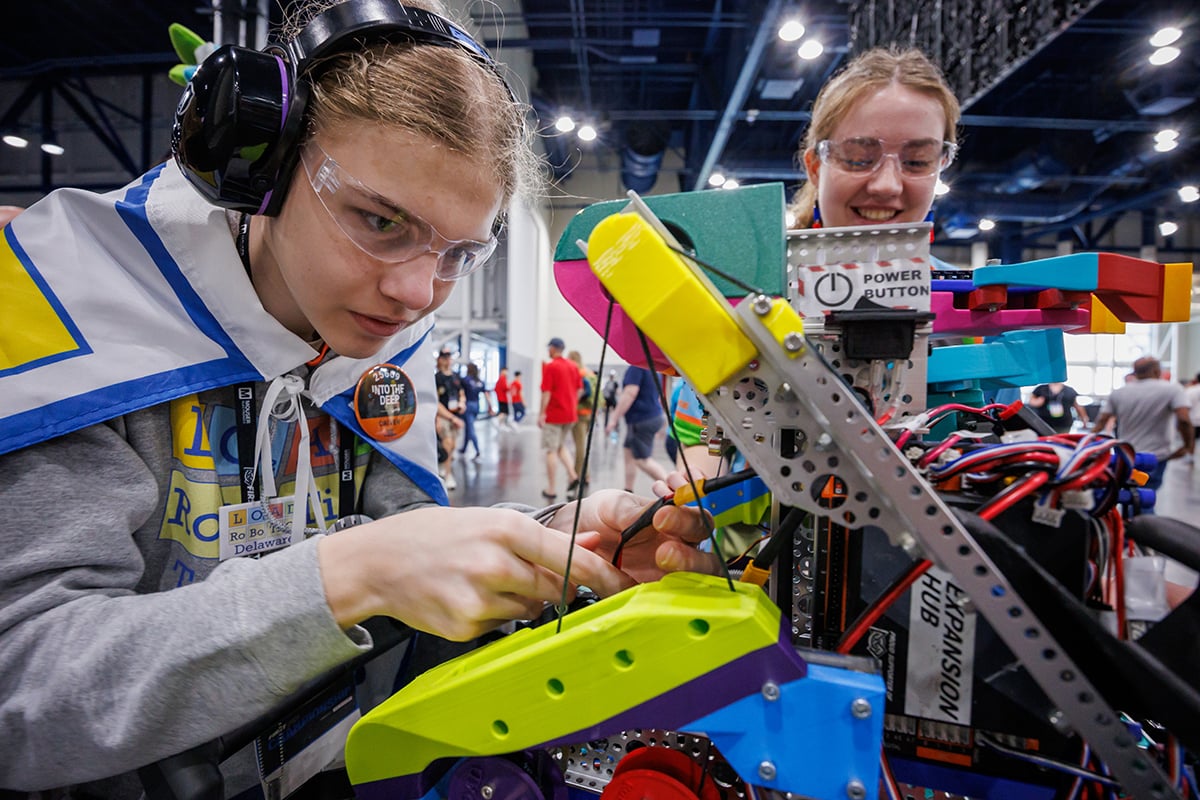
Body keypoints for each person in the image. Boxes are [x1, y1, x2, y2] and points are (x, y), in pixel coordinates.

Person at [0, 2, 717, 794]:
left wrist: (542, 545)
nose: (417, 291)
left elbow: (395, 546)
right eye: (379, 221)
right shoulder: (65, 303)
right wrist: (345, 578)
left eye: (460, 253)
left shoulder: (381, 332)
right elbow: (21, 697)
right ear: (261, 168)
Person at [1093, 356, 1193, 494]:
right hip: (1156, 455)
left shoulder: (1120, 392)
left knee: (1127, 493)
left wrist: (1088, 445)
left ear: (1135, 371)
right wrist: (1188, 445)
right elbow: (1184, 419)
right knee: (1146, 495)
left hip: (1126, 453)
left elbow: (1101, 421)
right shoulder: (1172, 390)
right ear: (1157, 371)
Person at [606, 364, 670, 493]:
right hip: (650, 416)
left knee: (642, 459)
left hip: (642, 419)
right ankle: (628, 490)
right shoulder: (652, 367)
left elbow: (630, 393)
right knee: (628, 451)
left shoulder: (636, 367)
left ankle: (672, 487)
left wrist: (614, 418)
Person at [538, 337, 581, 500]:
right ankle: (573, 475)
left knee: (551, 450)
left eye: (549, 348)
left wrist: (542, 413)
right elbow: (579, 390)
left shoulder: (551, 367)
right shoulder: (573, 366)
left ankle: (551, 488)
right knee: (560, 446)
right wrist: (571, 406)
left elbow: (546, 392)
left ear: (554, 348)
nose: (548, 351)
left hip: (555, 415)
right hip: (570, 414)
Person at [566, 349, 598, 494]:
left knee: (579, 447)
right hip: (590, 413)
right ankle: (587, 474)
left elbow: (575, 393)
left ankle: (578, 475)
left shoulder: (577, 373)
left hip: (578, 413)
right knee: (583, 445)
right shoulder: (590, 373)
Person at [435, 348, 466, 488]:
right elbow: (435, 401)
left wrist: (462, 403)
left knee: (452, 445)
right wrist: (446, 418)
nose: (448, 360)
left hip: (456, 415)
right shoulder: (437, 378)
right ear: (440, 359)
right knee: (447, 445)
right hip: (445, 416)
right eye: (445, 357)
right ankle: (448, 475)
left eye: (449, 357)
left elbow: (461, 393)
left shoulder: (456, 377)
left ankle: (443, 466)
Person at [458, 361, 486, 460]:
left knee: (470, 428)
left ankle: (477, 450)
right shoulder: (480, 382)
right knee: (468, 427)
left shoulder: (465, 380)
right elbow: (485, 393)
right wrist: (490, 406)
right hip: (476, 406)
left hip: (468, 405)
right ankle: (464, 448)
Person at [493, 365, 513, 430]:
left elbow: (496, 388)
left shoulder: (501, 379)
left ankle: (501, 425)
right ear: (502, 371)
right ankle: (497, 421)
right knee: (503, 412)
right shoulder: (502, 378)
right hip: (503, 398)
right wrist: (509, 386)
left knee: (504, 412)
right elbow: (505, 387)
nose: (507, 372)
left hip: (501, 398)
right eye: (506, 371)